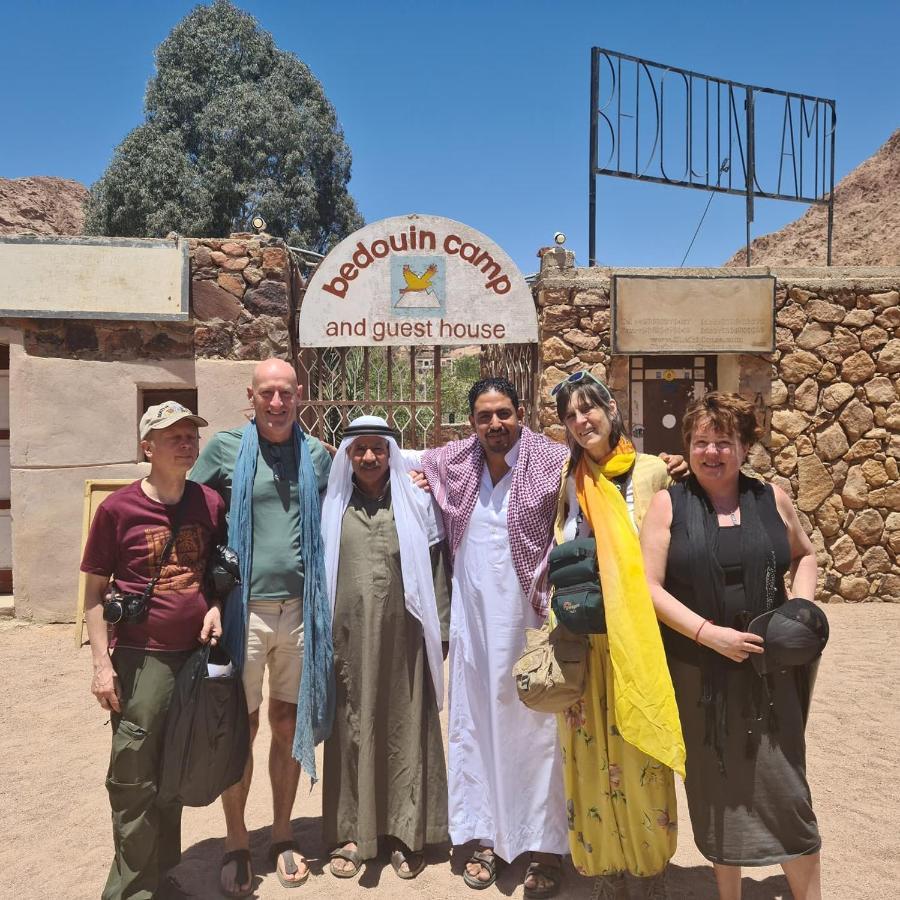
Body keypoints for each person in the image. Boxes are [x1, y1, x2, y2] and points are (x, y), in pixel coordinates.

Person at [640, 392, 822, 900]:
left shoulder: (772, 498)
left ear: (744, 447)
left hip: (773, 668)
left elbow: (804, 556)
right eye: (701, 442)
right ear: (688, 448)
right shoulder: (667, 505)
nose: (712, 452)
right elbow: (649, 587)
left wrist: (798, 612)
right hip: (701, 670)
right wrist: (707, 633)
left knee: (786, 783)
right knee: (717, 787)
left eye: (724, 441)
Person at [190, 358, 333, 897]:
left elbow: (351, 495)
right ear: (250, 396)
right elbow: (191, 514)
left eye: (286, 393)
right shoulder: (225, 449)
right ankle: (235, 841)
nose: (277, 403)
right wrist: (203, 593)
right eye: (267, 393)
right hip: (241, 610)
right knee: (240, 727)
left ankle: (280, 834)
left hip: (300, 610)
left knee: (287, 723)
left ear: (301, 396)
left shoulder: (317, 454)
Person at [81, 400, 226, 900]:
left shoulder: (208, 502)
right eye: (173, 436)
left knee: (173, 771)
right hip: (141, 660)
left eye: (191, 435)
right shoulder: (117, 509)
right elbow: (94, 595)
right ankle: (130, 891)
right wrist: (102, 666)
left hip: (192, 659)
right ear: (147, 447)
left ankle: (161, 878)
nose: (186, 443)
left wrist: (214, 605)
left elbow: (214, 573)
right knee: (133, 775)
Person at [550, 372, 685, 900]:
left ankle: (649, 870)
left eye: (589, 408)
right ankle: (604, 868)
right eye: (570, 414)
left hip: (638, 637)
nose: (582, 421)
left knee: (640, 751)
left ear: (611, 409)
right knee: (586, 754)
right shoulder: (570, 478)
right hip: (585, 638)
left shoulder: (655, 472)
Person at [319, 415, 451, 880]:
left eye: (378, 448)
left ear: (391, 453)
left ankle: (406, 834)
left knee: (404, 726)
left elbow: (437, 567)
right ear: (348, 455)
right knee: (353, 727)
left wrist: (443, 629)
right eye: (360, 449)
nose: (370, 457)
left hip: (406, 641)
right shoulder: (331, 506)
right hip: (348, 644)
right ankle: (353, 834)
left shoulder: (416, 502)